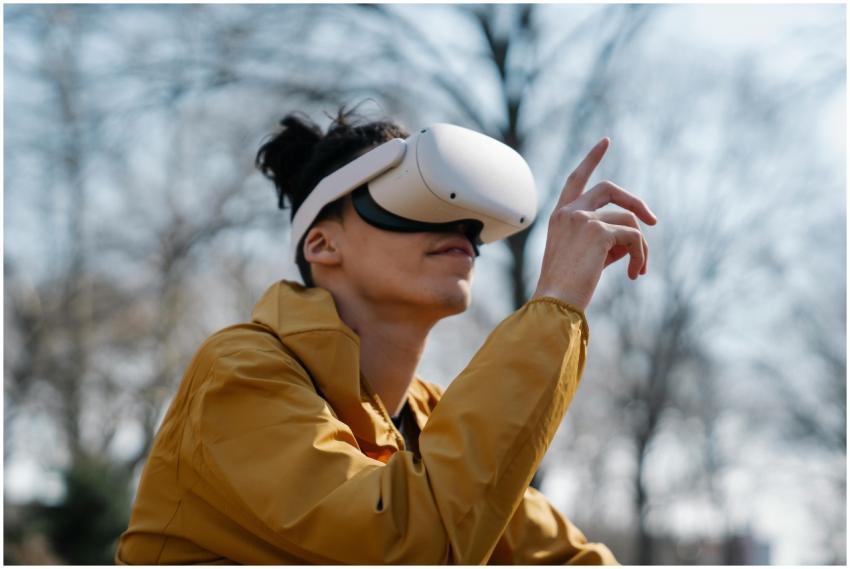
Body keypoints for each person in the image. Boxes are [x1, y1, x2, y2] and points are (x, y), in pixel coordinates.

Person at [115, 105, 656, 564]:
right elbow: (401, 543)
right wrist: (554, 304)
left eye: (469, 217)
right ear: (322, 245)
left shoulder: (428, 418)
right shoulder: (240, 373)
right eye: (413, 202)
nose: (460, 229)